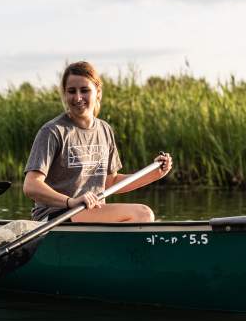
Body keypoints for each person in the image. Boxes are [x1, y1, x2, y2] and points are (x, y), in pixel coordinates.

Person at [23, 61, 172, 223]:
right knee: (143, 214)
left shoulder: (104, 130)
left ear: (98, 92)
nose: (78, 98)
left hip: (91, 213)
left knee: (139, 217)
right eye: (72, 91)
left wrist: (155, 174)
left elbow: (110, 182)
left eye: (85, 90)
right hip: (57, 216)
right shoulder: (52, 131)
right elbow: (31, 185)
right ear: (65, 95)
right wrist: (70, 201)